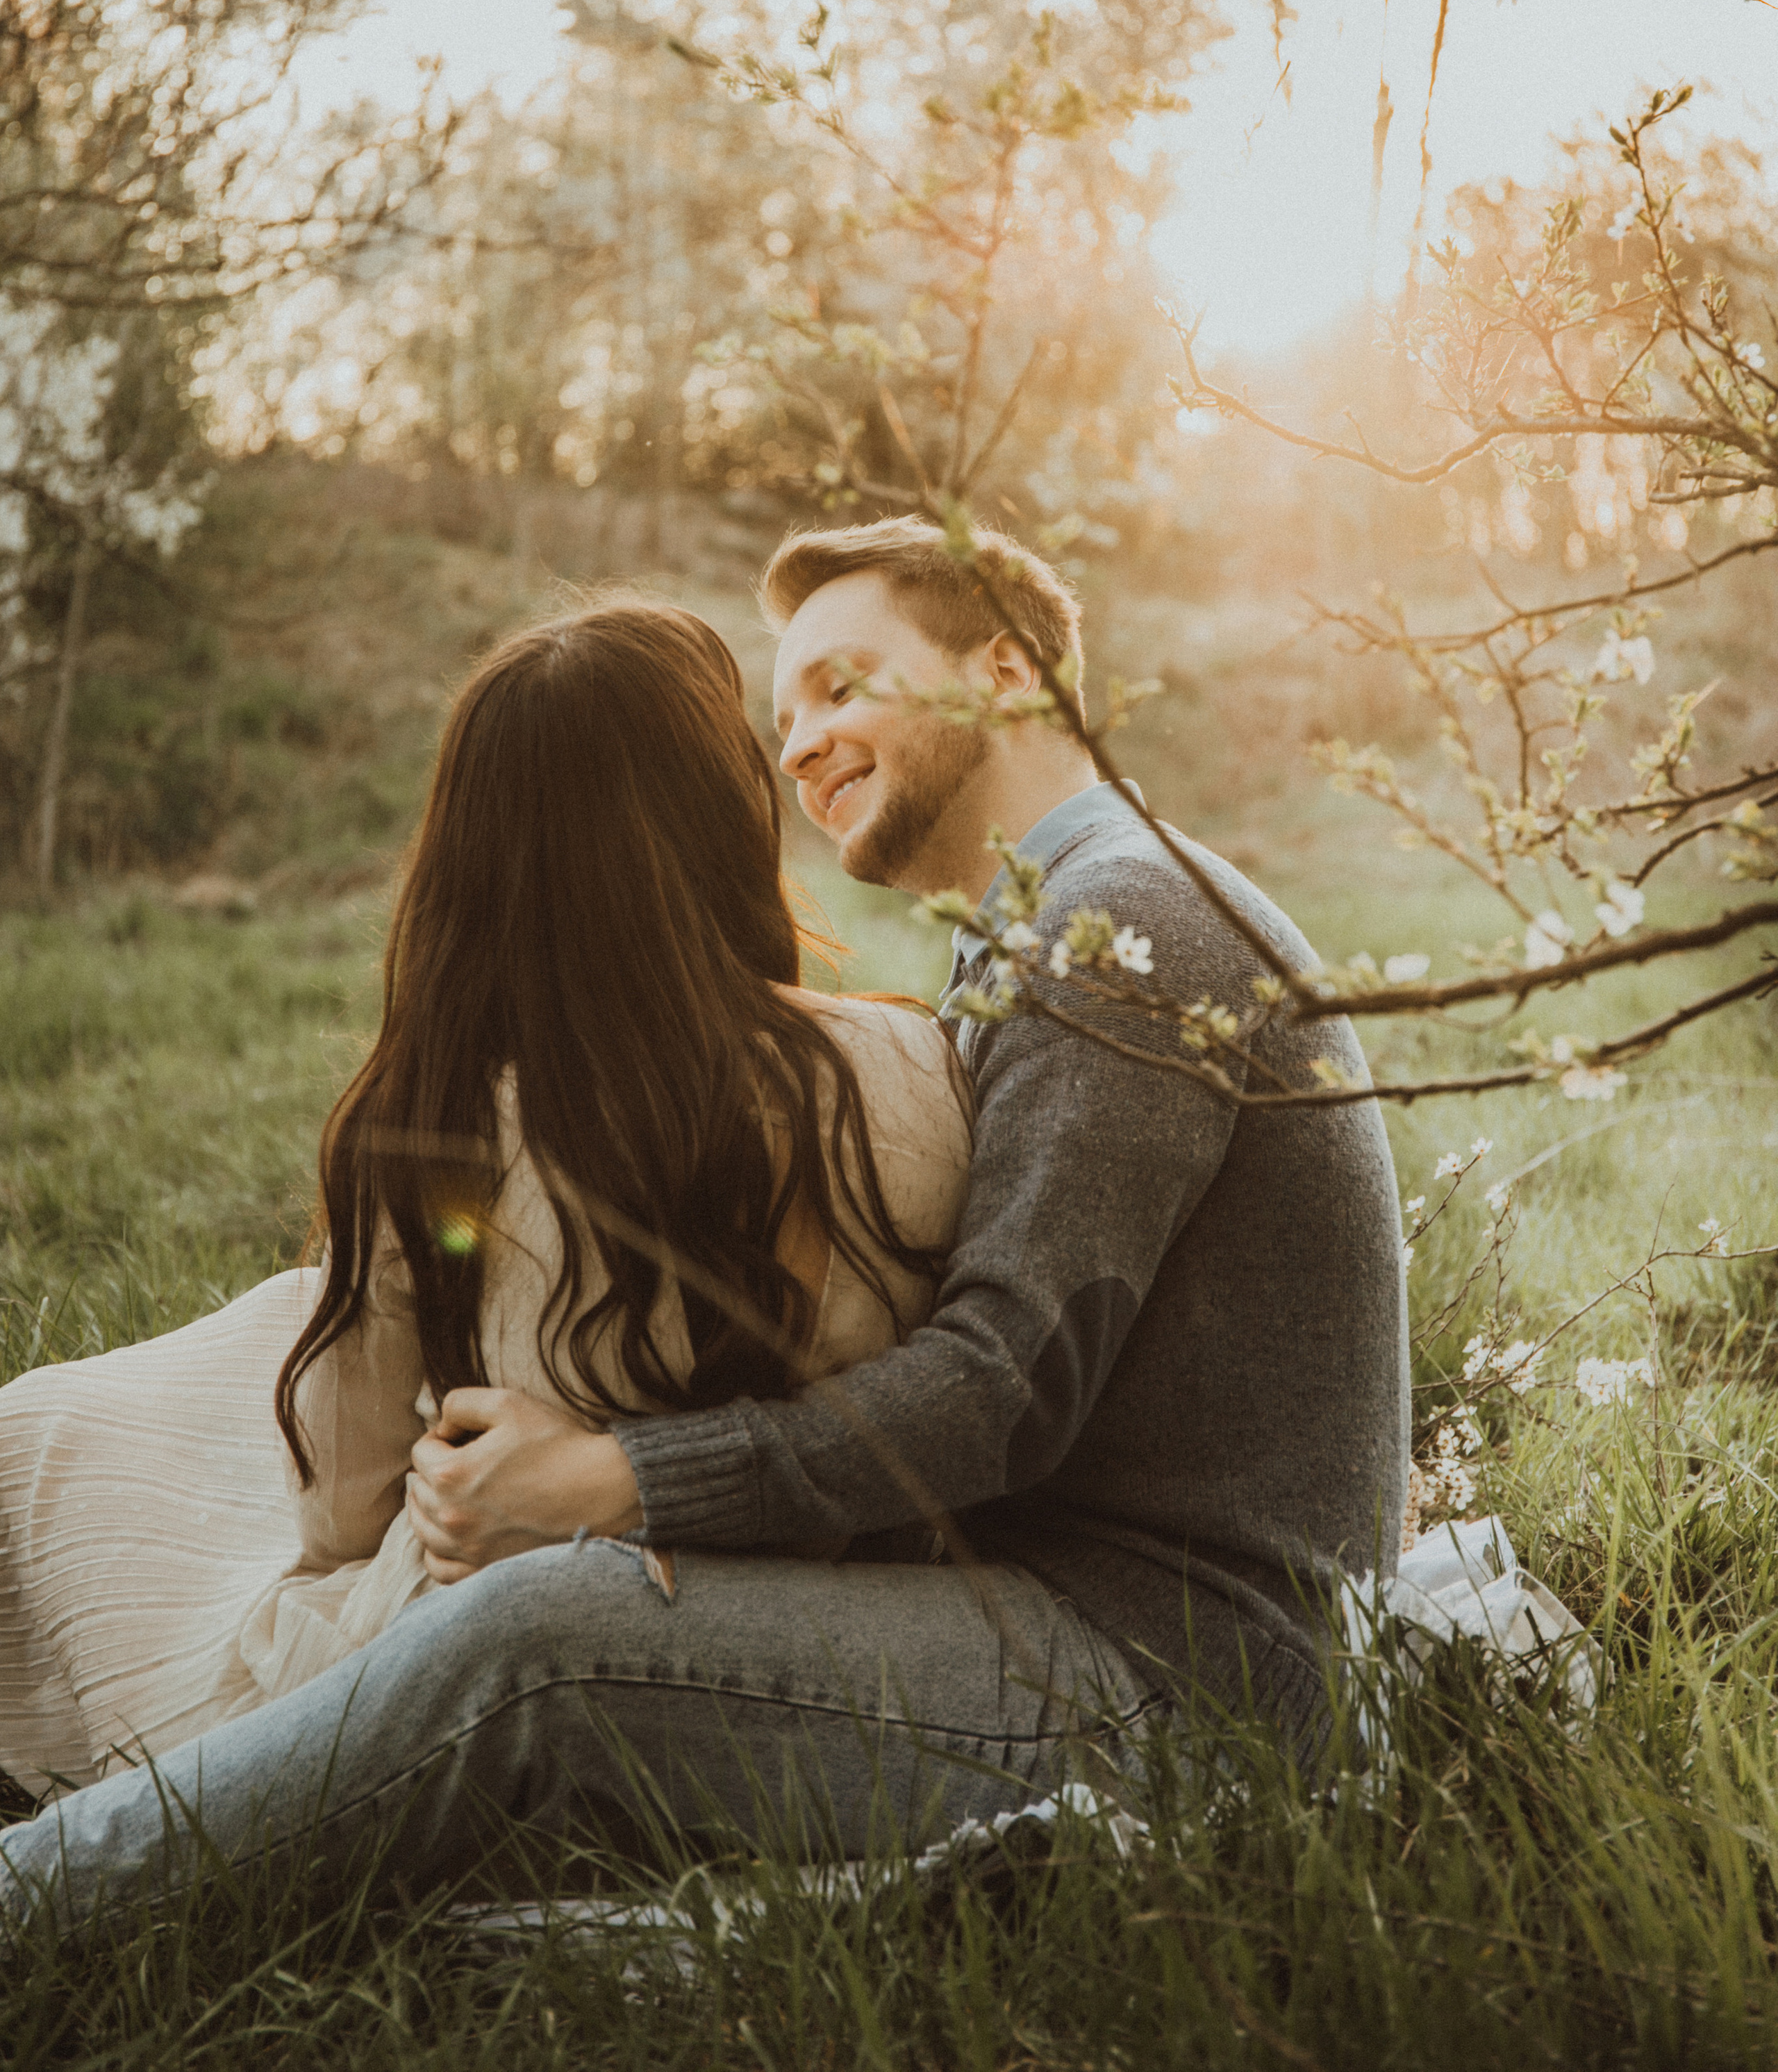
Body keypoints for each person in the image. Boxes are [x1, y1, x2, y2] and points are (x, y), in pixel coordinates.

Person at [1, 520, 1408, 1925]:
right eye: (780, 718)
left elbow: (998, 1393)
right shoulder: (1056, 927)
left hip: (1174, 1685)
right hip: (1074, 1609)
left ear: (1007, 672)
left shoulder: (1126, 928)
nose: (799, 747)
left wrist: (616, 1478)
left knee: (538, 1636)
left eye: (843, 685)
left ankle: (37, 1902)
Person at [0, 598, 968, 1800]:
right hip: (822, 1628)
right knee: (252, 1333)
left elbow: (343, 1514)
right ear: (726, 814)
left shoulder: (445, 1119)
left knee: (50, 1444)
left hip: (480, 1647)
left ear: (473, 859)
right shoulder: (918, 1061)